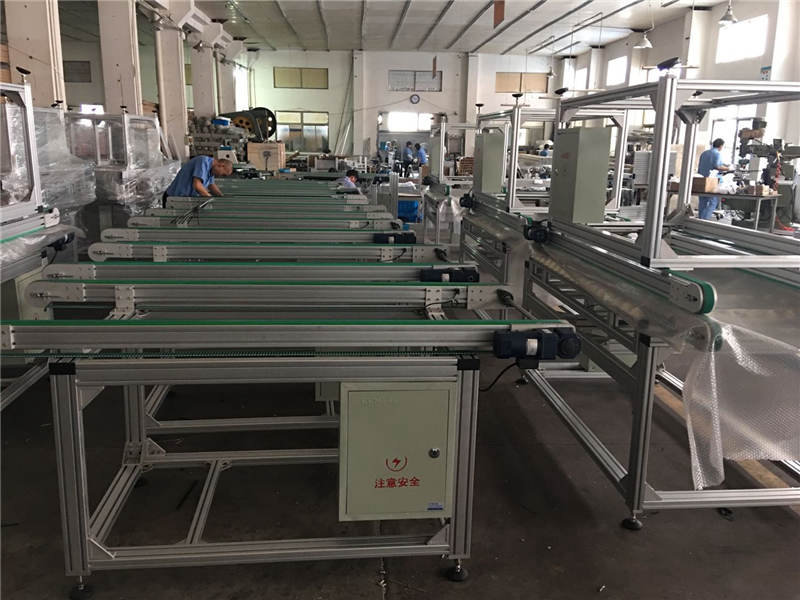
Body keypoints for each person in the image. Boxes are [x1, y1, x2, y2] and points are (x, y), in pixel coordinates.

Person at [163, 156, 233, 204]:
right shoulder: (203, 162)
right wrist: (210, 199)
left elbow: (211, 185)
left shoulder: (211, 171)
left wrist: (221, 196)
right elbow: (197, 185)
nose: (220, 176)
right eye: (223, 174)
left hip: (183, 200)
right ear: (221, 165)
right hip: (173, 199)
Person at [696, 138, 731, 220]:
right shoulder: (717, 154)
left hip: (702, 180)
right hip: (712, 182)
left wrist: (724, 165)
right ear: (721, 146)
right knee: (713, 202)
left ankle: (700, 219)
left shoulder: (704, 153)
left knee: (702, 202)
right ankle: (705, 219)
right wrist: (729, 169)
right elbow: (717, 166)